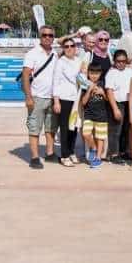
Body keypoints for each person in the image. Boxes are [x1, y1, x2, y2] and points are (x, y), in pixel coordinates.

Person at [22, 25, 58, 169]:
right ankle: (35, 157)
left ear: (53, 38)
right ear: (40, 36)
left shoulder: (55, 53)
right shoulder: (32, 54)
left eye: (50, 35)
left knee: (51, 128)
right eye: (44, 35)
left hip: (52, 97)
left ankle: (50, 153)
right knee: (34, 128)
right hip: (37, 97)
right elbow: (25, 76)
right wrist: (28, 97)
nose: (47, 37)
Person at [51, 36, 82, 167]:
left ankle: (71, 151)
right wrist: (56, 101)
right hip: (64, 99)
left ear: (75, 48)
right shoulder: (60, 62)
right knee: (64, 128)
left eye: (72, 46)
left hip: (77, 99)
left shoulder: (79, 61)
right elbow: (56, 82)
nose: (69, 48)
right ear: (63, 49)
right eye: (66, 46)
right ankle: (64, 155)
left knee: (74, 127)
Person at [105, 49, 132, 164]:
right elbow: (109, 91)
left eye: (123, 61)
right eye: (118, 61)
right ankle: (114, 154)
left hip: (129, 103)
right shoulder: (111, 73)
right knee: (115, 130)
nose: (121, 63)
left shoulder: (130, 71)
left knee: (126, 129)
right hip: (117, 103)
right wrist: (115, 109)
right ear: (114, 61)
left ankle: (123, 151)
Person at [80, 64, 108, 169]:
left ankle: (98, 158)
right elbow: (83, 102)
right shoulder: (85, 85)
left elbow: (109, 100)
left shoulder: (103, 84)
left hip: (102, 115)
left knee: (100, 137)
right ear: (88, 73)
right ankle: (93, 148)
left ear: (100, 74)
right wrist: (89, 90)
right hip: (89, 115)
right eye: (92, 73)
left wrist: (103, 93)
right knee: (86, 133)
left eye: (96, 73)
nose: (94, 75)